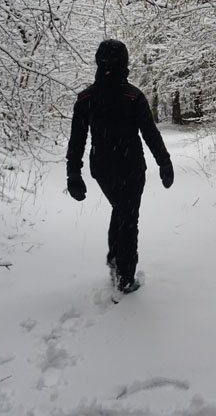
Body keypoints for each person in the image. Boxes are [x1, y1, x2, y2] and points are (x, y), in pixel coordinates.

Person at [66, 39, 174, 294]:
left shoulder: (86, 98)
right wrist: (164, 161)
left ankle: (116, 257)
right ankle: (125, 276)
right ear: (125, 63)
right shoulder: (132, 95)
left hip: (103, 168)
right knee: (128, 216)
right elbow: (150, 133)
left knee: (122, 210)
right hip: (131, 167)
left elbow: (77, 139)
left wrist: (74, 173)